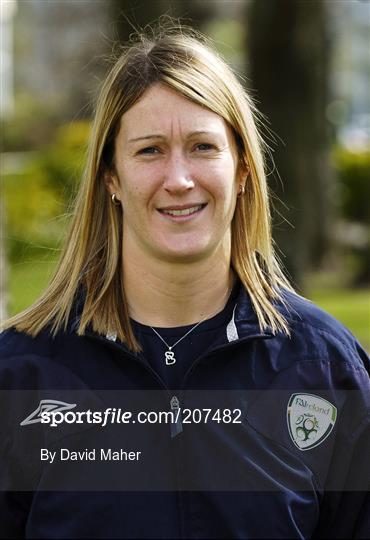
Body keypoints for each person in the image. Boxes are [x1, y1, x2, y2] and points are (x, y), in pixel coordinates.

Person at [0, 22, 369, 540]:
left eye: (202, 147)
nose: (178, 179)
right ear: (112, 178)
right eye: (149, 150)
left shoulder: (324, 368)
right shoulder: (22, 376)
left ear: (242, 168)